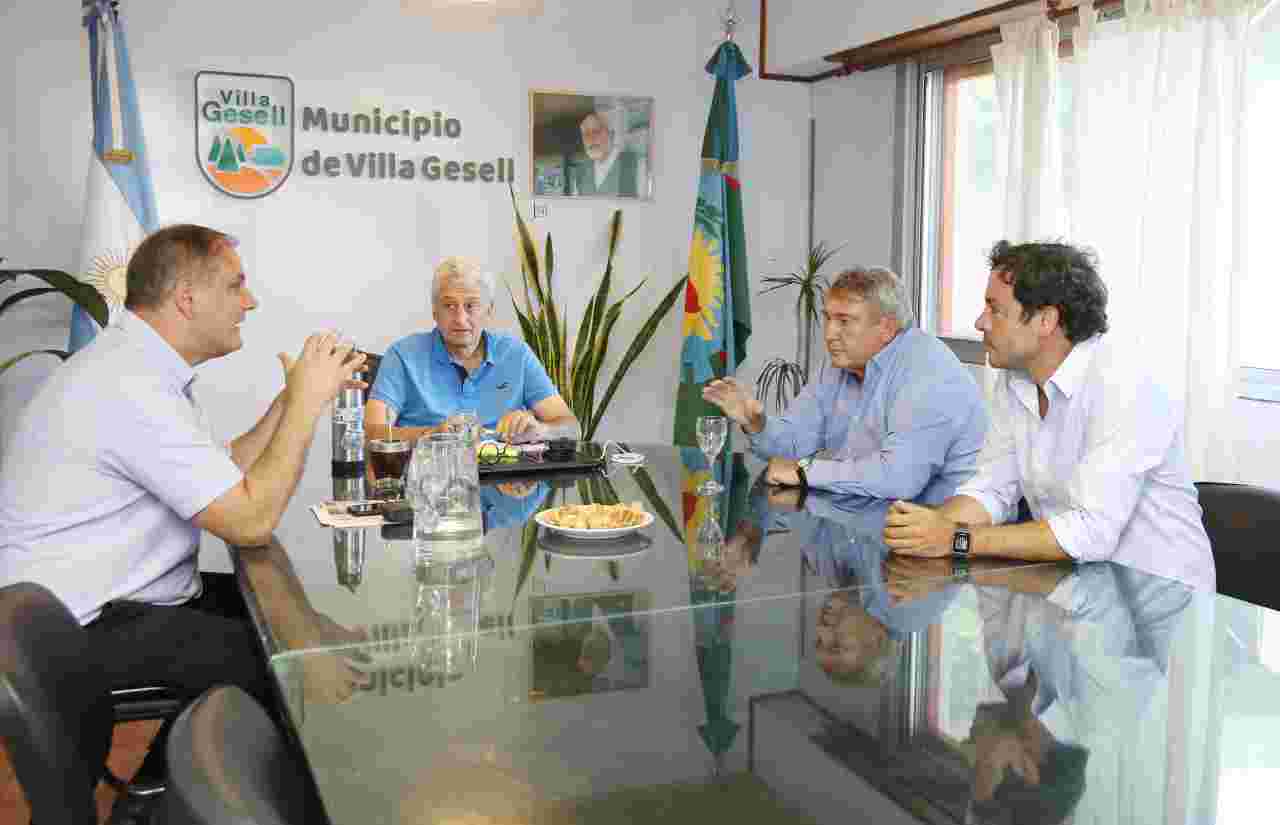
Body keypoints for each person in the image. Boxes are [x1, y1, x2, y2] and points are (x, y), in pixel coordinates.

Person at [0, 224, 365, 821]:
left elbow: (224, 472)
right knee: (294, 668)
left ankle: (176, 775)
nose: (250, 301)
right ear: (188, 299)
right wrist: (304, 405)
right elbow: (250, 520)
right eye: (236, 285)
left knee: (300, 624)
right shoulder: (129, 387)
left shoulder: (134, 368)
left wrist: (291, 399)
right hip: (86, 627)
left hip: (106, 601)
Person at [884, 241, 1216, 591]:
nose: (981, 322)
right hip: (1083, 588)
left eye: (995, 309)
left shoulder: (1125, 384)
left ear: (1046, 320)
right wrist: (923, 529)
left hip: (1165, 600)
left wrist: (956, 538)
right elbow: (991, 490)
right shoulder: (1016, 378)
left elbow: (1091, 532)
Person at [702, 266, 987, 497]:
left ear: (886, 328)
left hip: (950, 533)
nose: (829, 334)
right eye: (828, 319)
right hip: (875, 520)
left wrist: (805, 472)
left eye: (844, 321)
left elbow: (900, 478)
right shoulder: (838, 365)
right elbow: (794, 444)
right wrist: (757, 423)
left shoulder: (927, 370)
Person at [366, 256, 579, 444]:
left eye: (471, 306)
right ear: (434, 312)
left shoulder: (517, 354)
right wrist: (433, 434)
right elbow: (371, 433)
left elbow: (572, 428)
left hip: (506, 475)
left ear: (489, 310)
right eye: (449, 306)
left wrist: (540, 430)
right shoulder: (403, 356)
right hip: (431, 473)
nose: (460, 318)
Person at [570, 109, 645, 197]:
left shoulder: (636, 164)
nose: (591, 139)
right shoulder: (580, 173)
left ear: (611, 134)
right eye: (585, 134)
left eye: (596, 131)